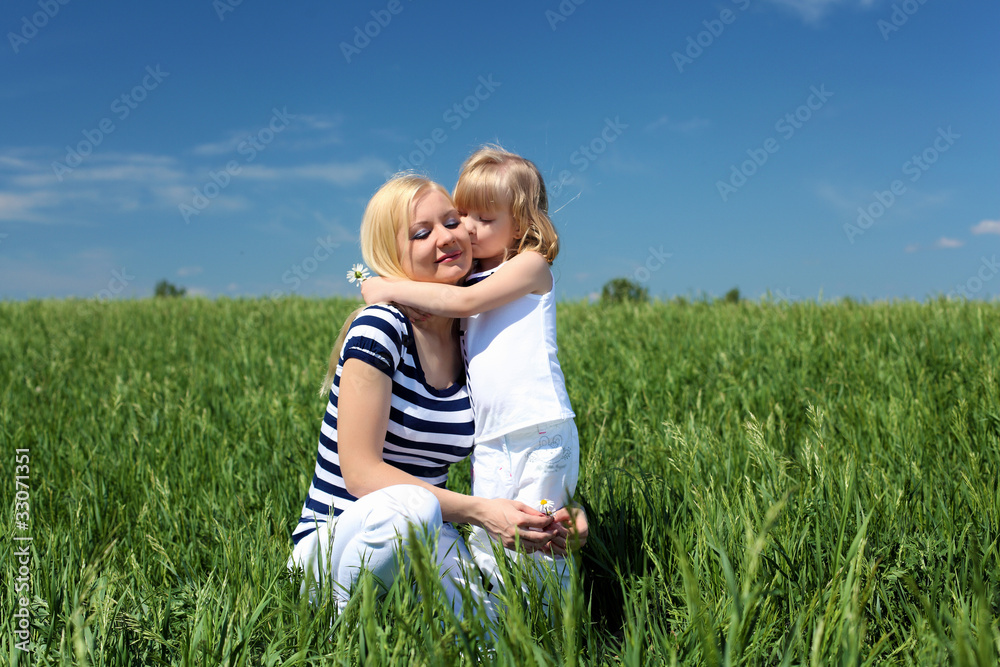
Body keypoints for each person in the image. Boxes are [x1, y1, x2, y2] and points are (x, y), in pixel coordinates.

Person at [288, 174, 568, 617]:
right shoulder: (381, 328)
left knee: (496, 630)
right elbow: (361, 475)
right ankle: (340, 631)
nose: (446, 238)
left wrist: (555, 513)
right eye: (422, 233)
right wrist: (480, 512)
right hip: (336, 540)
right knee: (412, 509)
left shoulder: (469, 335)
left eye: (452, 221)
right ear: (393, 255)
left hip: (425, 532)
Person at [361, 146, 586, 599]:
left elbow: (463, 305)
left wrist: (385, 286)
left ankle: (551, 625)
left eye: (484, 218)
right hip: (491, 438)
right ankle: (507, 623)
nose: (466, 228)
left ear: (520, 224)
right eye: (463, 215)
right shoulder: (467, 278)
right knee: (495, 535)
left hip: (537, 426)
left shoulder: (530, 266)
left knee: (539, 543)